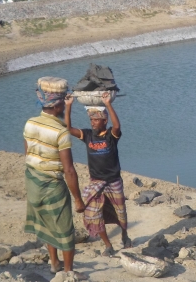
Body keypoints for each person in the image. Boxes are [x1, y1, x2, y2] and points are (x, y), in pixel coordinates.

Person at [23, 77, 86, 280]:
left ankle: (54, 263)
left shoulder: (30, 123)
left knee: (48, 225)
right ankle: (67, 271)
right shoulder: (60, 132)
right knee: (65, 229)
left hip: (33, 182)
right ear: (58, 105)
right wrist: (77, 198)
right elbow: (69, 170)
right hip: (52, 185)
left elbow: (28, 154)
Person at [65, 92, 132, 257]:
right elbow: (68, 128)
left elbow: (117, 127)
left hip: (113, 181)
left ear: (104, 121)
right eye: (91, 120)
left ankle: (124, 235)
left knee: (120, 213)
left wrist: (108, 104)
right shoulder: (87, 135)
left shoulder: (111, 136)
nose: (93, 123)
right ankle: (108, 245)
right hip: (96, 182)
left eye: (96, 120)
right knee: (94, 214)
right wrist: (68, 106)